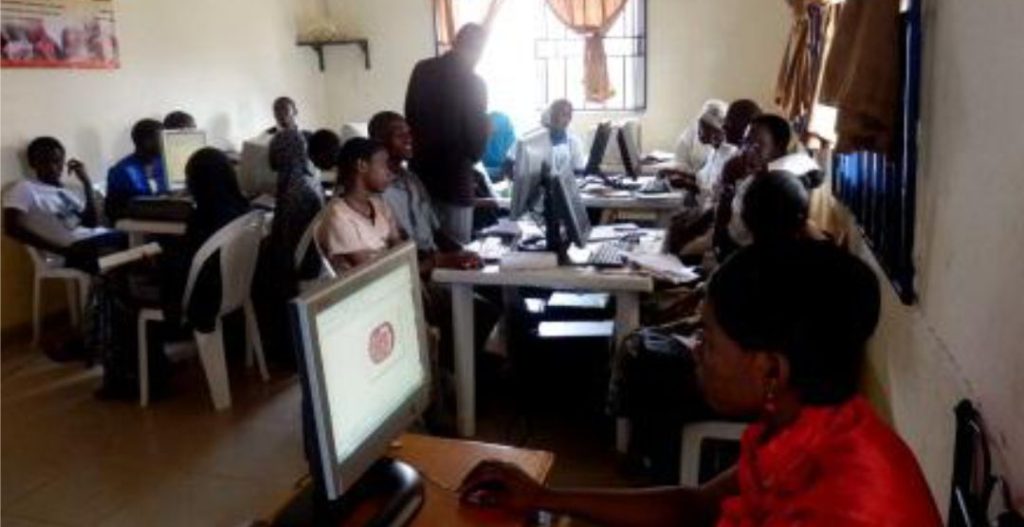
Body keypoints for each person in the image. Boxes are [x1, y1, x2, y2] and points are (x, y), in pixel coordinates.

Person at [460, 241, 943, 527]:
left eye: (707, 341)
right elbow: (696, 508)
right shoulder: (807, 423)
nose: (695, 351)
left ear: (771, 372)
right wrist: (546, 497)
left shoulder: (843, 502)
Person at [405, 23, 490, 244]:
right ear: (479, 50)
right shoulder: (474, 84)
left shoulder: (422, 70)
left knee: (426, 249)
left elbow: (410, 117)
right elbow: (475, 149)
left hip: (419, 180)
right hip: (454, 183)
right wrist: (486, 128)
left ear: (455, 42)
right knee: (456, 252)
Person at [3, 136, 124, 273]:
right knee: (132, 248)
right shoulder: (24, 188)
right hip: (71, 250)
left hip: (96, 241)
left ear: (63, 162)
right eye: (44, 162)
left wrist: (87, 183)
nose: (52, 167)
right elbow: (11, 228)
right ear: (32, 163)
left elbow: (92, 223)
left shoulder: (66, 192)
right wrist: (61, 251)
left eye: (57, 161)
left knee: (137, 242)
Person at [317, 138, 403, 272]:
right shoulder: (338, 217)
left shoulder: (379, 205)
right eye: (383, 164)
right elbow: (372, 271)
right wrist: (428, 264)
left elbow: (399, 246)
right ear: (362, 166)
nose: (389, 173)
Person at [105, 118, 167, 222]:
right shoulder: (122, 171)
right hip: (138, 224)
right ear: (147, 141)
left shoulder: (165, 163)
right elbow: (112, 211)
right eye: (162, 138)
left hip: (166, 218)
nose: (166, 143)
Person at [672, 99, 729, 175]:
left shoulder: (725, 151)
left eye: (707, 127)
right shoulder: (691, 133)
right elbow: (679, 161)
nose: (699, 131)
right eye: (700, 123)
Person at [482, 112, 516, 181]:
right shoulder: (502, 119)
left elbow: (513, 150)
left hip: (504, 173)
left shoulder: (503, 120)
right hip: (485, 175)